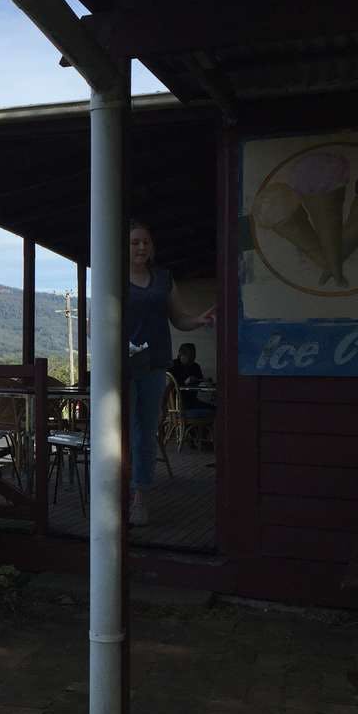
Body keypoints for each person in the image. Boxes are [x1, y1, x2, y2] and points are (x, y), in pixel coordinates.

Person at [126, 220, 214, 526]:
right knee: (118, 434)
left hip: (154, 366)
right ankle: (115, 494)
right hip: (121, 368)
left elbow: (180, 318)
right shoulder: (111, 277)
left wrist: (199, 321)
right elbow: (94, 326)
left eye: (145, 242)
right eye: (135, 242)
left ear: (152, 247)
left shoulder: (164, 279)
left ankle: (140, 498)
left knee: (146, 433)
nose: (141, 247)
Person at [169, 343, 215, 411]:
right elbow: (168, 387)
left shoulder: (195, 366)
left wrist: (204, 382)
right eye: (190, 357)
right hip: (177, 404)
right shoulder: (172, 366)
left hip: (192, 401)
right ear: (181, 355)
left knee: (215, 409)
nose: (192, 360)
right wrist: (184, 382)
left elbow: (200, 382)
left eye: (194, 357)